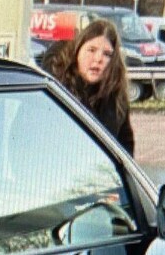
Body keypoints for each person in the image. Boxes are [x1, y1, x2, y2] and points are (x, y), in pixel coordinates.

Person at [42, 19, 135, 156]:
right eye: (91, 50)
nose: (98, 59)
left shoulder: (116, 98)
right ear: (77, 51)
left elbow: (125, 148)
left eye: (107, 54)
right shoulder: (55, 89)